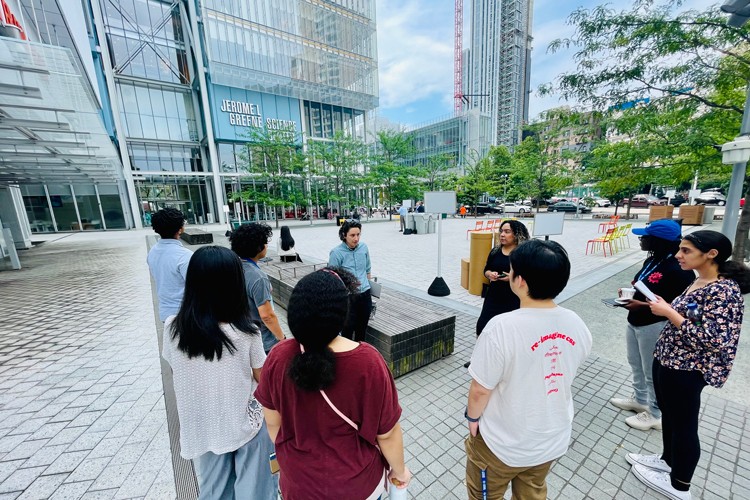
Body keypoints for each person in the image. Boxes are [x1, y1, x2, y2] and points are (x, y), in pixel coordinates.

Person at [254, 268, 411, 499]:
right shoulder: (368, 363)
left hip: (298, 485)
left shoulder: (277, 357)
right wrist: (400, 471)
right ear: (342, 313)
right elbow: (387, 435)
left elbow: (274, 426)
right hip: (357, 485)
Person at [627, 230, 750, 500]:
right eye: (679, 249)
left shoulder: (724, 290)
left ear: (711, 254)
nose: (678, 255)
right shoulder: (701, 281)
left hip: (687, 368)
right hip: (669, 360)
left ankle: (680, 485)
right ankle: (667, 461)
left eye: (686, 251)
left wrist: (669, 312)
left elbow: (714, 339)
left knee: (684, 425)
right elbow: (694, 318)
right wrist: (666, 307)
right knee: (670, 418)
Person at [464, 240, 592, 500]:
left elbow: (480, 390)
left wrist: (473, 419)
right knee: (532, 493)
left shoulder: (501, 327)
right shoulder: (577, 323)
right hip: (551, 438)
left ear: (519, 280)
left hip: (502, 442)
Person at [162, 246, 278, 500]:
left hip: (203, 425)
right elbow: (264, 381)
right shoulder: (246, 331)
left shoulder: (172, 328)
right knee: (255, 491)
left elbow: (177, 371)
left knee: (214, 491)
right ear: (234, 284)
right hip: (246, 423)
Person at [610, 219, 695, 431]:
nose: (640, 239)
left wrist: (641, 305)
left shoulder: (680, 269)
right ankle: (640, 399)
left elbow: (681, 308)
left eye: (645, 237)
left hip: (655, 325)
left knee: (652, 371)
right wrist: (630, 295)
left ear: (658, 241)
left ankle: (655, 414)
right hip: (635, 321)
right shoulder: (653, 259)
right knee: (635, 362)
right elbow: (645, 284)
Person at [230, 223, 285, 353]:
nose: (266, 246)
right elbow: (267, 316)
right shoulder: (258, 277)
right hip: (262, 341)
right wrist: (282, 339)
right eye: (265, 243)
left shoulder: (232, 267)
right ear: (258, 247)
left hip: (239, 335)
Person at [476, 220, 530, 336]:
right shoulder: (495, 251)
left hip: (514, 299)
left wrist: (512, 277)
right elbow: (486, 269)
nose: (502, 234)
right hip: (493, 296)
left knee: (507, 332)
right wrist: (489, 274)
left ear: (517, 235)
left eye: (507, 232)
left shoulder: (524, 254)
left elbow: (530, 275)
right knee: (483, 327)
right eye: (501, 231)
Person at [328, 219, 372, 341]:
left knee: (362, 330)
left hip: (365, 295)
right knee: (347, 330)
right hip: (348, 298)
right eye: (352, 235)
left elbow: (368, 269)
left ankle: (359, 355)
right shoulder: (336, 253)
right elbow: (332, 277)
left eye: (358, 234)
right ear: (344, 235)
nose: (356, 238)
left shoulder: (363, 247)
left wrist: (368, 287)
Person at [146, 207, 193, 322]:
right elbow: (196, 287)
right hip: (184, 315)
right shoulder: (185, 256)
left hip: (165, 313)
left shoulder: (152, 251)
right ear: (180, 229)